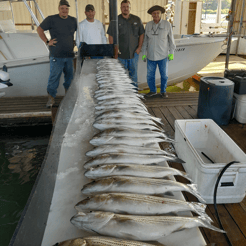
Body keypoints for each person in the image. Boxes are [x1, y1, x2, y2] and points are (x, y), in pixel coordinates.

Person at [37, 0, 77, 108]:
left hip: (69, 56)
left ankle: (68, 98)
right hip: (56, 56)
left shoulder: (73, 20)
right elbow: (39, 29)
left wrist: (75, 41)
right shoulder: (51, 19)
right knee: (54, 78)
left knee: (69, 78)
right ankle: (51, 99)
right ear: (59, 8)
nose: (64, 10)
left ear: (68, 9)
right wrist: (47, 41)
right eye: (62, 8)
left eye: (66, 8)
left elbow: (80, 33)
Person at [107, 0, 144, 88]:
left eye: (127, 7)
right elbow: (110, 36)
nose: (125, 9)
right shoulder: (115, 20)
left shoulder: (137, 19)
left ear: (130, 8)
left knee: (133, 76)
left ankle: (134, 95)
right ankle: (123, 97)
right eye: (123, 7)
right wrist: (114, 51)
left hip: (134, 54)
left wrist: (139, 48)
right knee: (121, 77)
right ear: (120, 8)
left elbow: (141, 34)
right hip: (120, 55)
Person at [142, 5, 176, 98]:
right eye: (154, 13)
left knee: (164, 76)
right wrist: (143, 53)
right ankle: (152, 91)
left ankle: (163, 91)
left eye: (157, 13)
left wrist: (171, 53)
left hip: (163, 56)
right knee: (150, 76)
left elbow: (171, 41)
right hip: (150, 56)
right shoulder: (148, 25)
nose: (156, 14)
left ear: (161, 14)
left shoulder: (167, 24)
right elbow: (145, 40)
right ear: (151, 15)